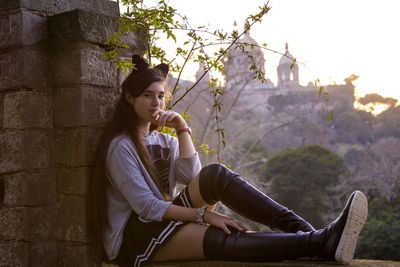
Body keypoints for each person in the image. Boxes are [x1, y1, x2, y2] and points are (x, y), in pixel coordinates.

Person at [87, 54, 368, 267]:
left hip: (161, 221)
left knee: (215, 174)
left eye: (160, 96)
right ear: (129, 97)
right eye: (147, 96)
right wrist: (205, 215)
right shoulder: (120, 147)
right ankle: (317, 241)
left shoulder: (164, 140)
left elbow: (194, 178)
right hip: (135, 239)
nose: (156, 103)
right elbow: (146, 207)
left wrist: (182, 129)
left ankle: (308, 233)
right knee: (221, 237)